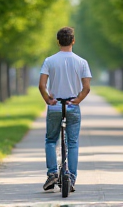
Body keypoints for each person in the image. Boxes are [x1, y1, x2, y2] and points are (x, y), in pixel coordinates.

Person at [39, 26, 92, 192]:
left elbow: (42, 85)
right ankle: (72, 177)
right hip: (71, 106)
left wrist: (48, 99)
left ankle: (53, 172)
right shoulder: (81, 62)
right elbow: (86, 88)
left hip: (55, 107)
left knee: (50, 140)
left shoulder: (49, 61)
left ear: (58, 41)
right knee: (73, 143)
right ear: (73, 41)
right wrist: (77, 100)